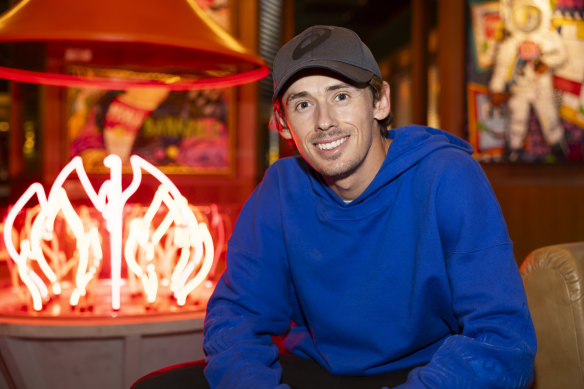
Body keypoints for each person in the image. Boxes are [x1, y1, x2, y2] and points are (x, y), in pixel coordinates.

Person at [133, 25, 536, 389]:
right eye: (303, 104)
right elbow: (236, 320)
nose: (324, 121)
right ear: (284, 124)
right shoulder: (280, 189)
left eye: (340, 95)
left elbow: (502, 338)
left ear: (379, 102)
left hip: (425, 374)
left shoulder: (446, 176)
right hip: (316, 373)